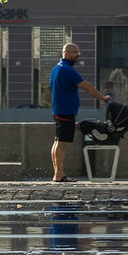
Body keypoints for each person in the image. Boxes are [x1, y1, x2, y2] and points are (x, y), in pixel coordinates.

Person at [50, 43, 111, 183]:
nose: (77, 55)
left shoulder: (57, 68)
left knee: (58, 142)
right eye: (74, 52)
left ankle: (58, 173)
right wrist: (103, 98)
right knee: (61, 144)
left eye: (78, 52)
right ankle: (59, 174)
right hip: (65, 112)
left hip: (59, 110)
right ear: (65, 52)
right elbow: (87, 86)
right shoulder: (66, 70)